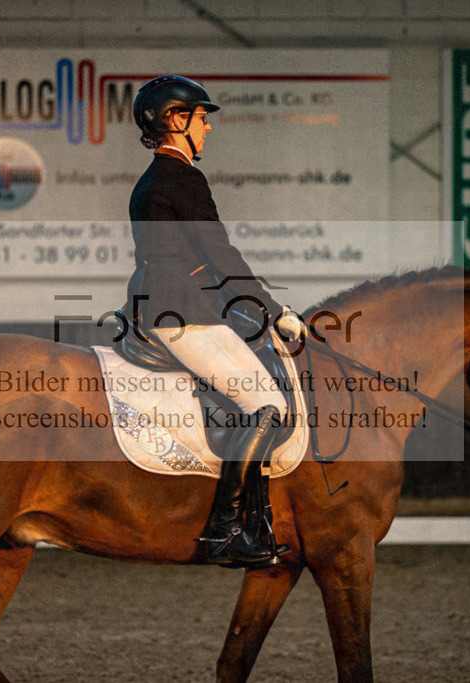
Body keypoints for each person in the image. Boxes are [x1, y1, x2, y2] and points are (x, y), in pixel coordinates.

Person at [125, 75, 306, 567]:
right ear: (176, 120)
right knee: (266, 405)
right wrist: (275, 311)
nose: (207, 128)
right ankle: (223, 531)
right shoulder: (181, 178)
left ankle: (254, 526)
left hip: (183, 306)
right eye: (201, 118)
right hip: (179, 312)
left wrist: (247, 306)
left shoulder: (154, 179)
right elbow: (220, 255)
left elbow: (201, 262)